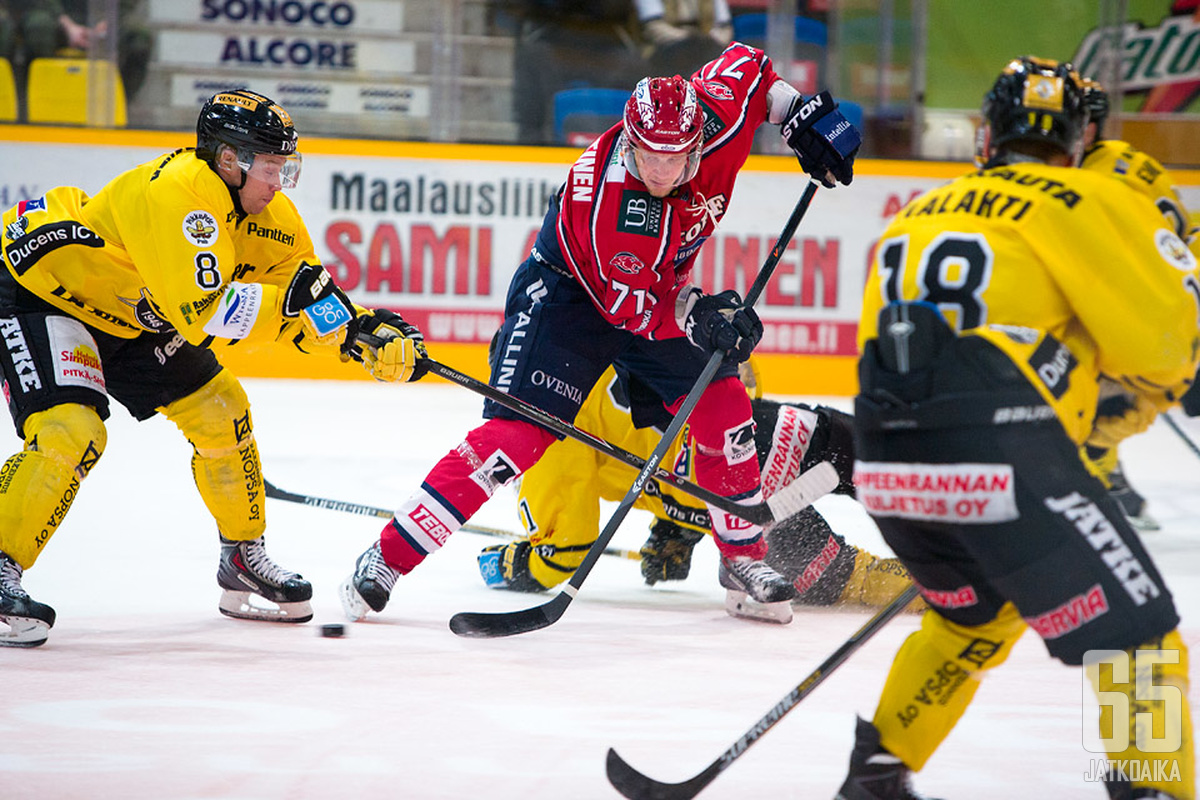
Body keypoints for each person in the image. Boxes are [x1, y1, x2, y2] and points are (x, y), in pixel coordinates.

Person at [340, 42, 862, 622]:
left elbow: (753, 69)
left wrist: (801, 118)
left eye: (675, 158)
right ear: (630, 142)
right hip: (569, 302)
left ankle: (742, 558)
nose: (662, 171)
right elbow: (636, 313)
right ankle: (386, 557)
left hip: (655, 293)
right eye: (649, 158)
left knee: (725, 410)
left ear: (698, 138)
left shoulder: (714, 111)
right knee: (514, 441)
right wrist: (702, 316)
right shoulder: (612, 207)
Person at [833, 57, 1196, 800]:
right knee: (1137, 644)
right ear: (1080, 136)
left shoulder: (919, 212)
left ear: (987, 135)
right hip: (1004, 454)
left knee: (972, 621)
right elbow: (1162, 351)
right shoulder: (1087, 196)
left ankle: (875, 779)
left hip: (888, 464)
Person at [0, 89, 426, 647]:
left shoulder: (271, 215)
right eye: (271, 167)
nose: (279, 181)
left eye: (284, 167)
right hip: (46, 293)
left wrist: (362, 333)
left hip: (134, 315)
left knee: (223, 409)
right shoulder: (181, 195)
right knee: (70, 432)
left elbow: (309, 294)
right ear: (229, 160)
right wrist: (319, 319)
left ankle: (242, 559)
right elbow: (206, 314)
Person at [476, 362, 917, 624]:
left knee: (855, 578)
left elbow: (566, 551)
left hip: (734, 487)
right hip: (764, 430)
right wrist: (676, 528)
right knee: (902, 471)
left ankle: (948, 579)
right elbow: (659, 429)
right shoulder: (596, 346)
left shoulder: (541, 419)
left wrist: (510, 564)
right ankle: (969, 523)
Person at [1076, 78, 1195, 533]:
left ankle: (1097, 483)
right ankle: (1106, 480)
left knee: (1097, 405)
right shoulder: (1114, 164)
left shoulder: (1108, 173)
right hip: (1132, 309)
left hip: (1142, 310)